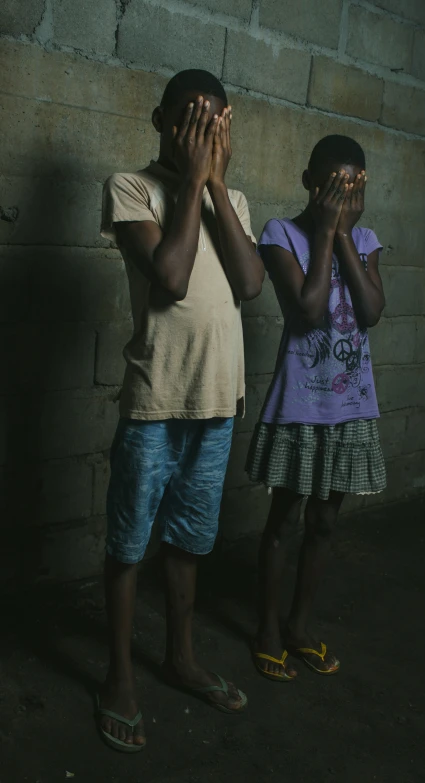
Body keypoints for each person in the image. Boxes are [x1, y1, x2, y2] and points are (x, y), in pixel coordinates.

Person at [98, 69, 264, 751]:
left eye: (215, 122)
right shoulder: (131, 187)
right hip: (156, 401)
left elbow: (251, 282)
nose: (201, 133)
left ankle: (181, 655)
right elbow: (168, 277)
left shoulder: (236, 199)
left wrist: (217, 184)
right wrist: (194, 180)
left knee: (190, 540)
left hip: (216, 402)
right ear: (160, 119)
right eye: (189, 119)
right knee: (130, 541)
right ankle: (118, 676)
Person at [246, 135, 386, 682]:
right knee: (282, 519)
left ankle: (300, 627)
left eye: (354, 186)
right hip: (301, 404)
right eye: (333, 185)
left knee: (324, 521)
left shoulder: (368, 238)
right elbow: (307, 309)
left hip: (352, 405)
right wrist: (328, 232)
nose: (343, 194)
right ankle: (267, 629)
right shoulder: (281, 233)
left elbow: (370, 311)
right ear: (309, 181)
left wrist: (346, 236)